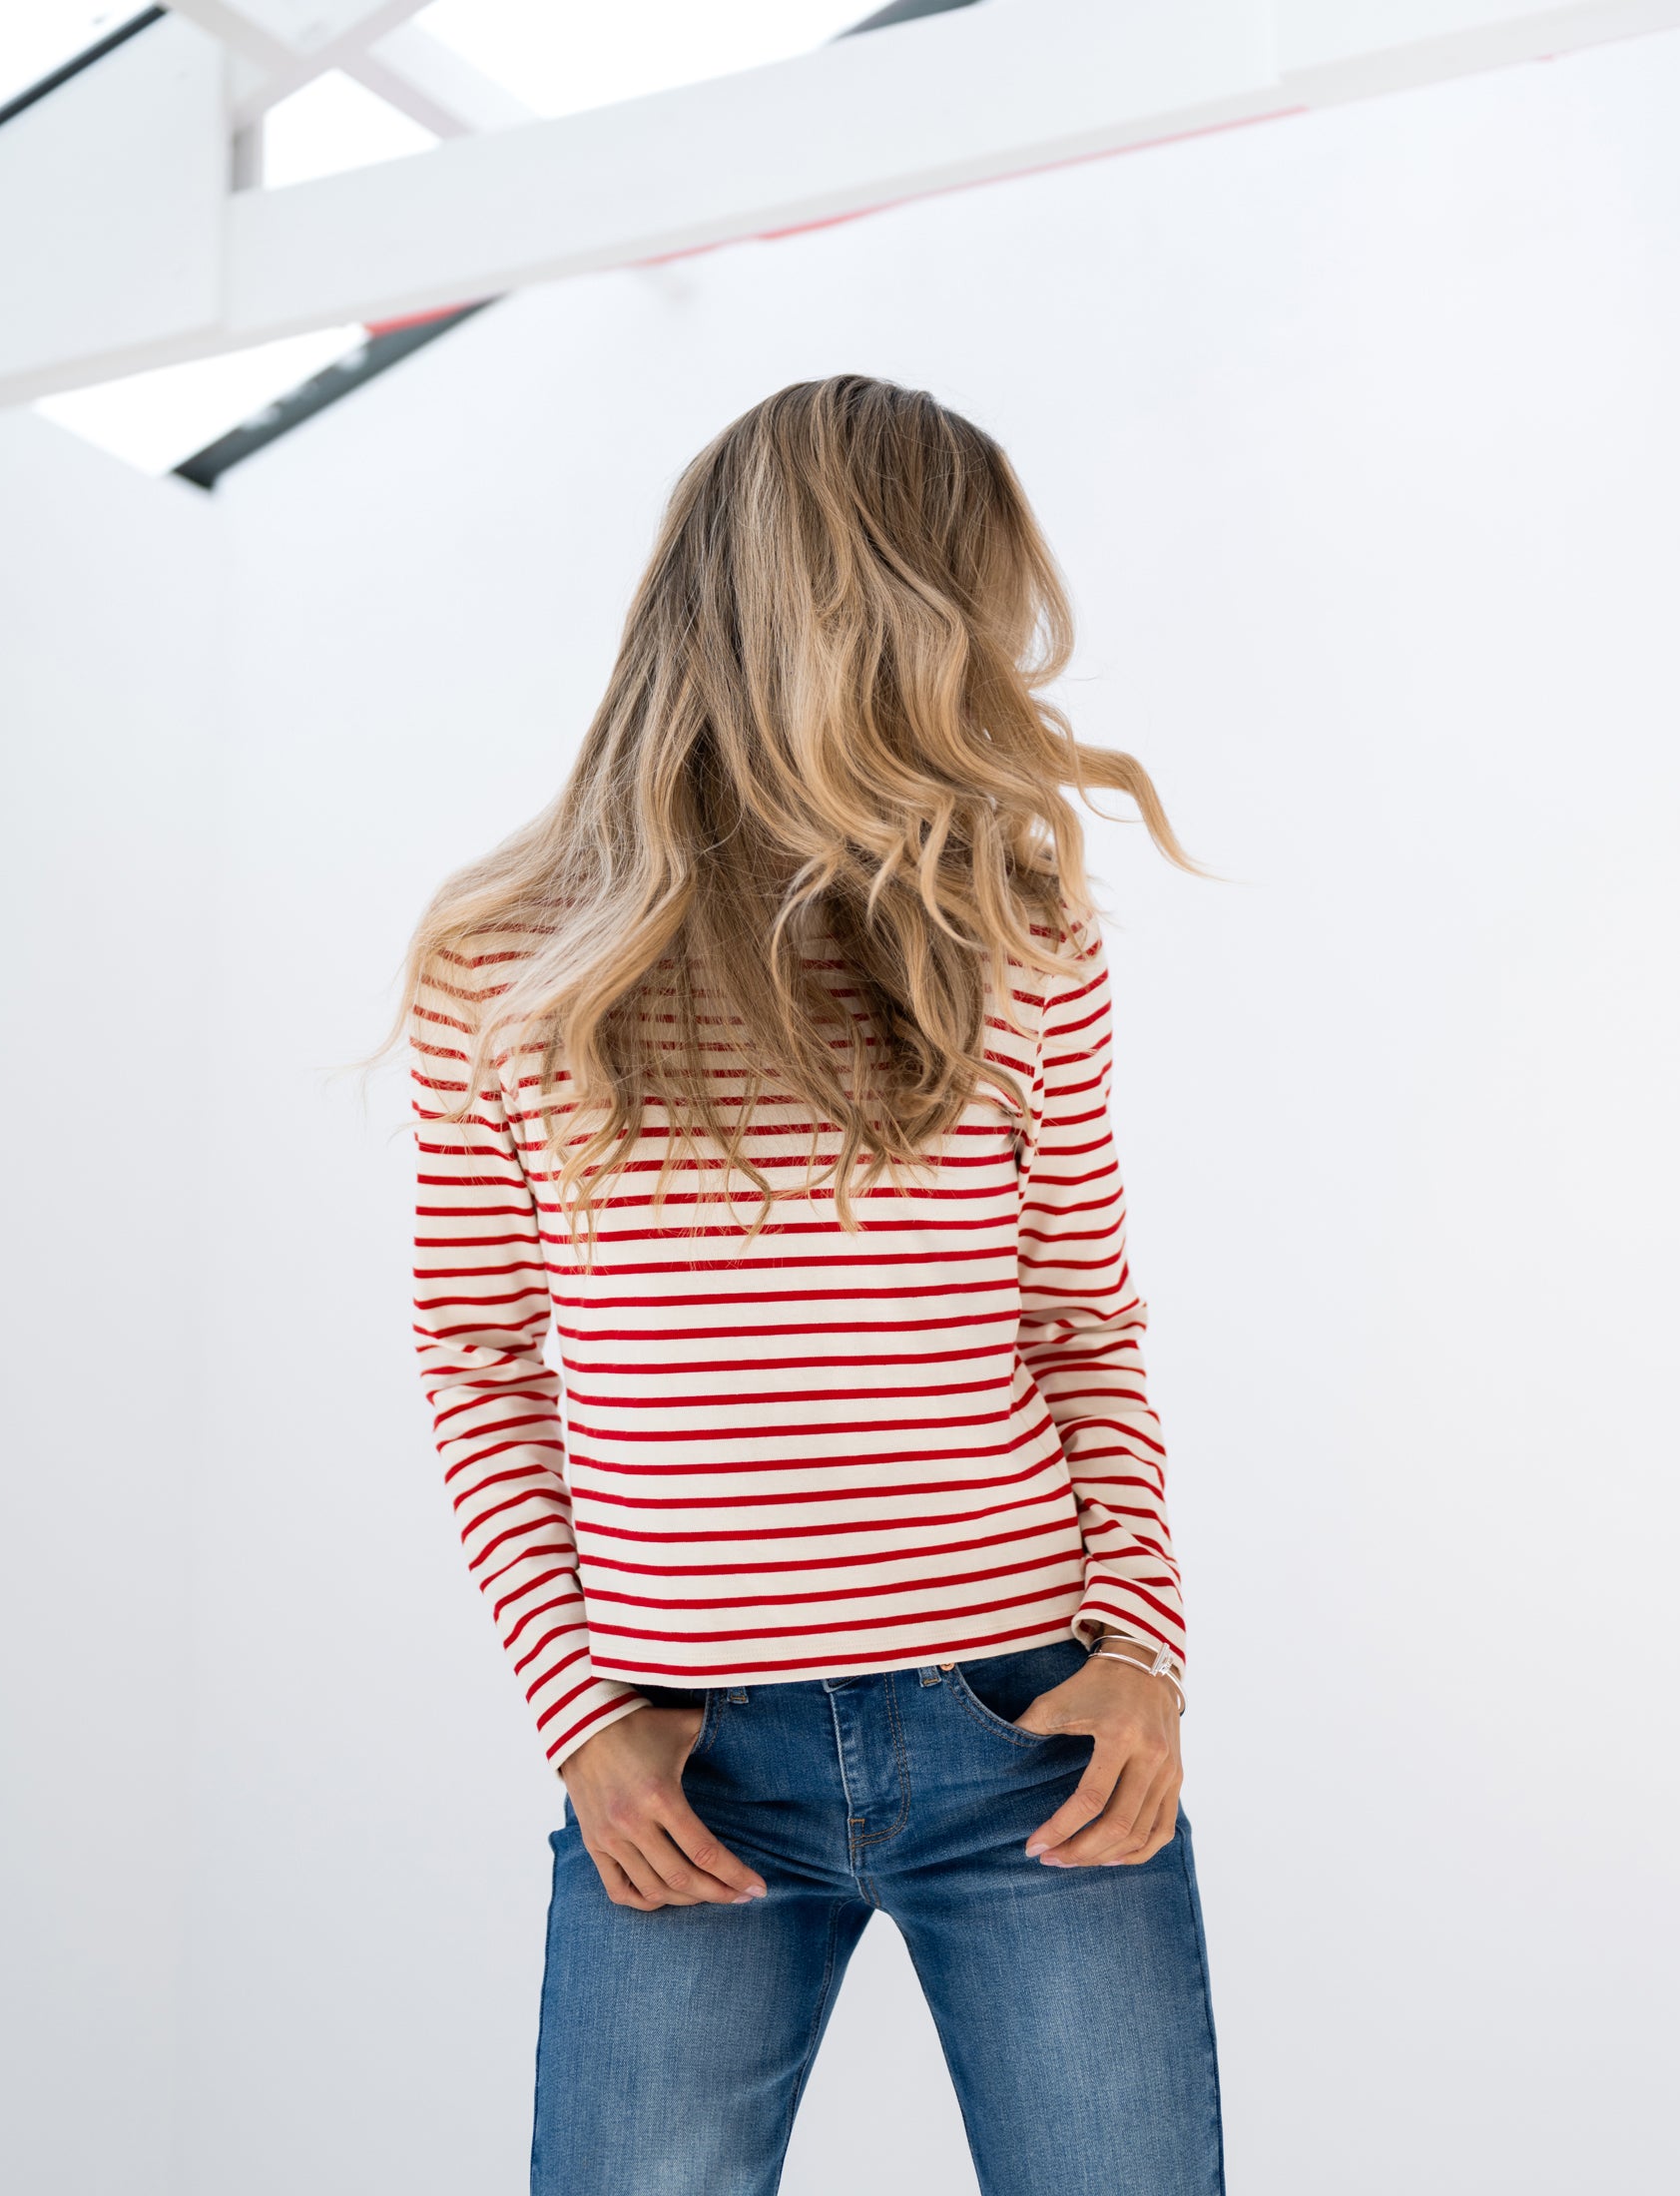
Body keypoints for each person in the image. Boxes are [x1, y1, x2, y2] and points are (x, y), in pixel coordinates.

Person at [396, 375, 1225, 2194]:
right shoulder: (509, 969)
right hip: (684, 1773)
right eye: (971, 600)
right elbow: (478, 1359)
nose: (999, 653)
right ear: (868, 608)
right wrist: (583, 1719)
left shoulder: (1017, 939)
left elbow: (1079, 1325)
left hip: (1030, 1738)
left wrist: (1147, 1656)